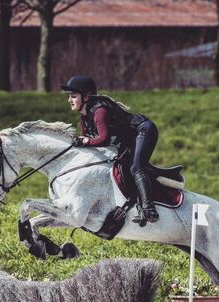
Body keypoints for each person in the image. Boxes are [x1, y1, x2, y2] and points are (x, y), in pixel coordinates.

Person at [61, 75, 159, 226]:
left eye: (73, 96)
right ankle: (138, 206)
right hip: (129, 139)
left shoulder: (100, 111)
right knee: (124, 166)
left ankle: (149, 209)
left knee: (136, 166)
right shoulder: (85, 116)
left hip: (144, 130)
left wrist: (85, 141)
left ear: (86, 97)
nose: (69, 100)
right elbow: (87, 139)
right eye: (69, 97)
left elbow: (104, 139)